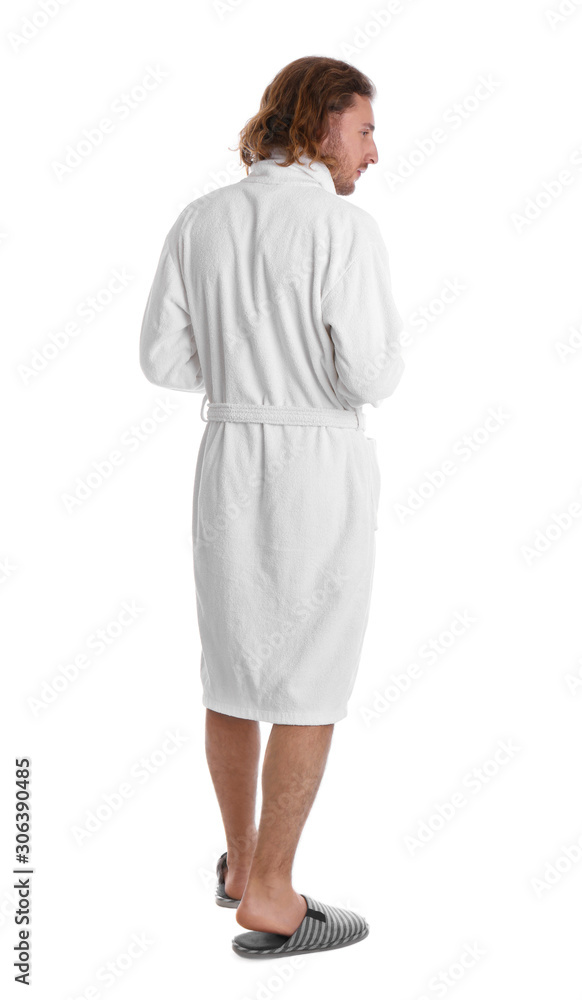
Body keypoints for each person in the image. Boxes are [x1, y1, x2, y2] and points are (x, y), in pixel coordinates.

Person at [139, 55, 406, 958]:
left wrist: (248, 365)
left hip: (226, 451)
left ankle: (239, 863)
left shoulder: (202, 220)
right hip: (315, 457)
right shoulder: (341, 229)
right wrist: (300, 371)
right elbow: (372, 373)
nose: (374, 153)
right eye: (364, 130)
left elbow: (164, 363)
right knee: (310, 675)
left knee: (232, 664)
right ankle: (273, 893)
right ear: (321, 123)